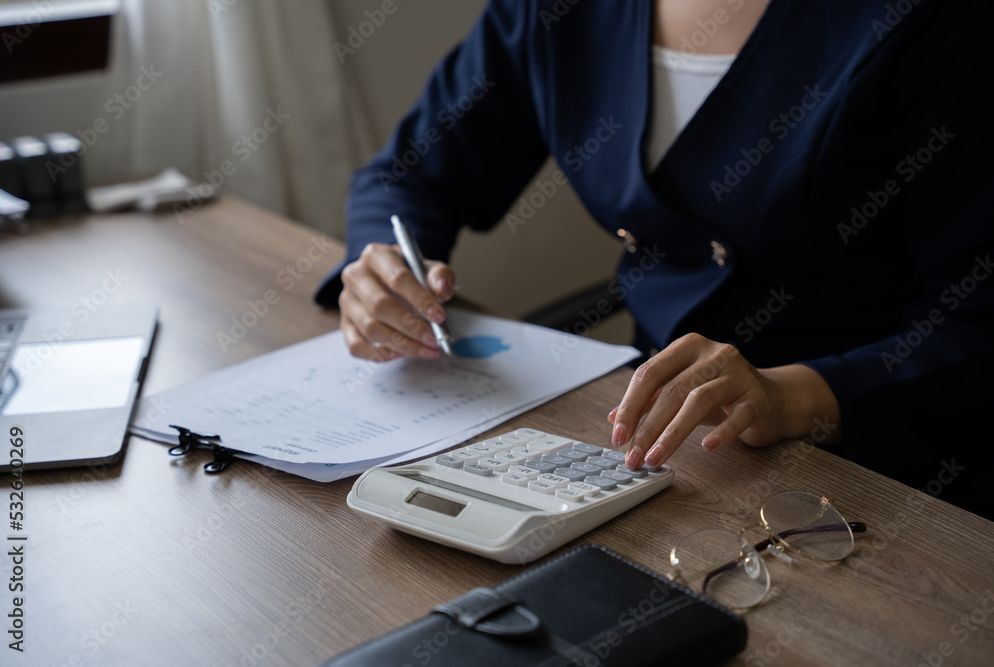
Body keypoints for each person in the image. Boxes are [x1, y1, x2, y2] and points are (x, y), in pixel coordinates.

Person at [316, 0, 994, 520]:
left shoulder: (937, 24)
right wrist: (382, 264)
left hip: (883, 466)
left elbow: (977, 328)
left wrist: (788, 396)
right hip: (653, 447)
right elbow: (405, 176)